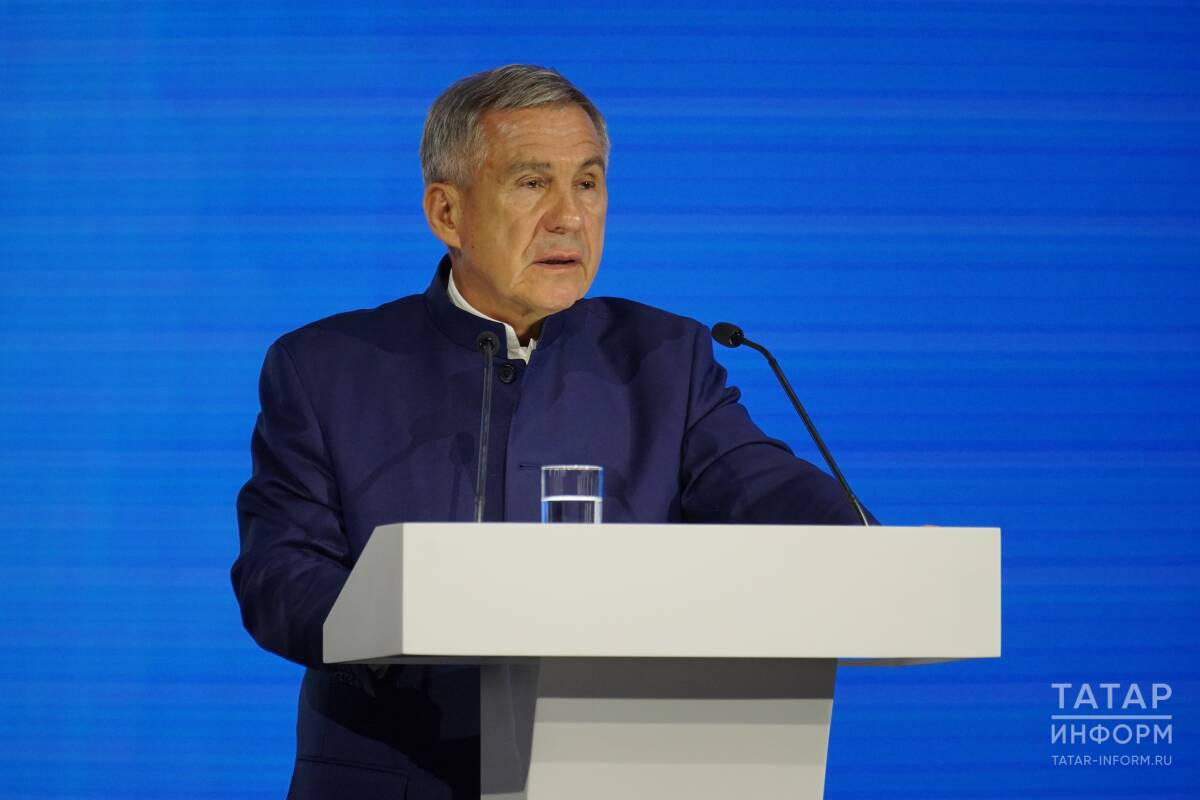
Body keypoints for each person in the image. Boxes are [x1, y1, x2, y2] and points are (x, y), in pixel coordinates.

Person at [233, 64, 870, 800]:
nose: (569, 216)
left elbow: (777, 497)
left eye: (588, 183)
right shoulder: (325, 366)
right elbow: (279, 574)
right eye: (533, 183)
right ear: (447, 213)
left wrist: (871, 551)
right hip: (397, 774)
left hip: (617, 771)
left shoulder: (667, 359)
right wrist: (403, 620)